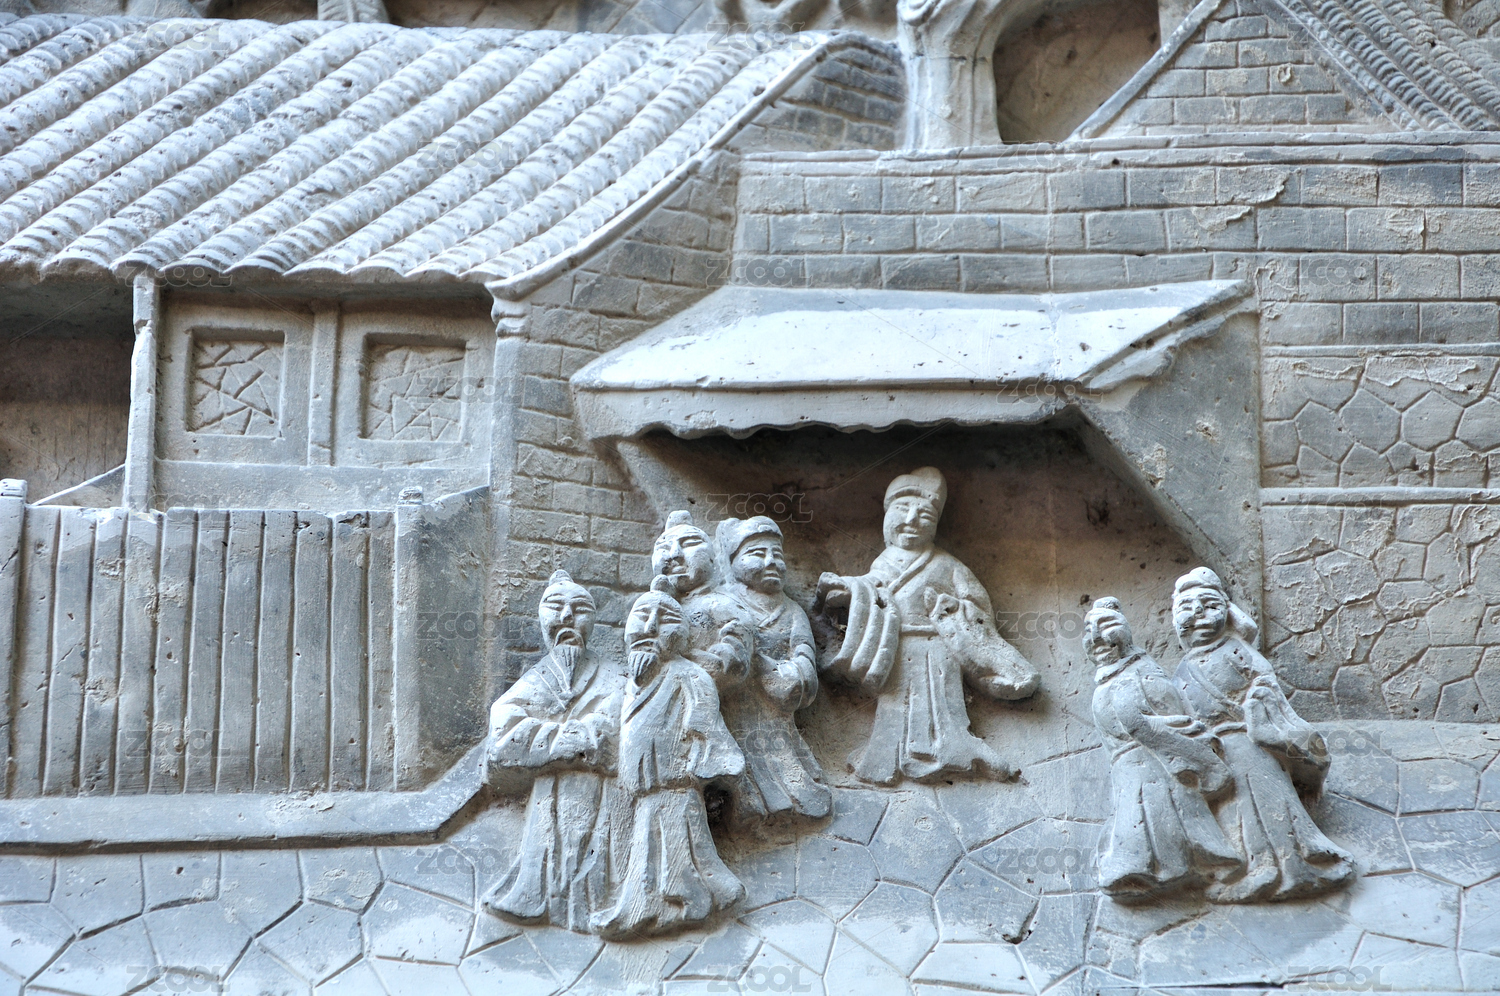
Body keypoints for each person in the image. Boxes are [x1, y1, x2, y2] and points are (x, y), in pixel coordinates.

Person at [816, 467, 1039, 784]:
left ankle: (954, 752)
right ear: (887, 516)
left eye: (924, 515)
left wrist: (951, 608)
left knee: (943, 706)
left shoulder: (947, 564)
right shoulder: (884, 561)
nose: (911, 520)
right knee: (894, 705)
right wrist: (850, 590)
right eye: (902, 510)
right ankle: (885, 759)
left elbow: (977, 605)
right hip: (897, 647)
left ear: (935, 525)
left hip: (939, 647)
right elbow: (871, 587)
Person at [1172, 568, 1354, 903]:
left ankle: (1290, 868)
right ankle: (1252, 869)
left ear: (1227, 612)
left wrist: (1258, 711)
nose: (1198, 614)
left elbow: (1263, 681)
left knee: (1269, 807)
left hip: (1250, 744)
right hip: (1216, 754)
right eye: (1186, 607)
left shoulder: (1236, 650)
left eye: (1210, 605)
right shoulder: (1182, 669)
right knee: (1234, 814)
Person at [592, 578, 746, 938]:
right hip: (644, 791)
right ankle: (660, 904)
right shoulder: (629, 683)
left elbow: (705, 724)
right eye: (641, 616)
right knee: (650, 855)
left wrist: (695, 765)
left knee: (679, 852)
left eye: (666, 620)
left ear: (684, 635)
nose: (650, 628)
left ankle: (680, 903)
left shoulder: (689, 675)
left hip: (674, 786)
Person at [481, 570, 626, 931]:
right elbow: (502, 739)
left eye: (581, 609)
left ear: (594, 621)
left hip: (600, 801)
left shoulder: (616, 676)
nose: (567, 617)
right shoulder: (534, 680)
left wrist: (547, 740)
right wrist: (577, 740)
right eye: (555, 606)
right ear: (540, 618)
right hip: (547, 802)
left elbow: (615, 733)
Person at [1085, 597, 1242, 899]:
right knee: (1134, 818)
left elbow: (1169, 712)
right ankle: (1141, 867)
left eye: (1106, 626)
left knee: (1164, 817)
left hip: (1155, 763)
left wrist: (1181, 750)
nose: (1095, 638)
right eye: (1088, 630)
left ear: (1125, 632)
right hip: (1127, 768)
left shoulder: (1142, 671)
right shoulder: (1105, 682)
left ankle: (1174, 867)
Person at [713, 516, 831, 824]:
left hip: (777, 713)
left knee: (785, 765)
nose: (771, 562)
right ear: (732, 561)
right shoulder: (722, 602)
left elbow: (804, 655)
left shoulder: (791, 611)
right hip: (735, 709)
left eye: (777, 555)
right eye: (757, 554)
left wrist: (786, 674)